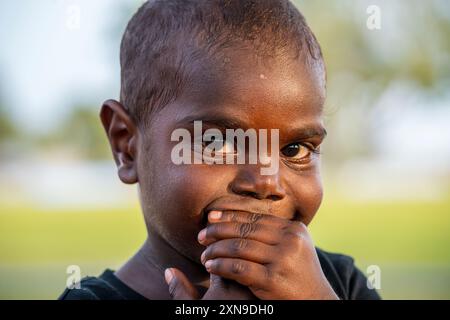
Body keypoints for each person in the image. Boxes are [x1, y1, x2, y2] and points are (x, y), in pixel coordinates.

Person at [59, 0, 381, 300]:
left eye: (294, 149)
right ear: (126, 145)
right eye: (218, 143)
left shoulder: (340, 284)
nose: (267, 182)